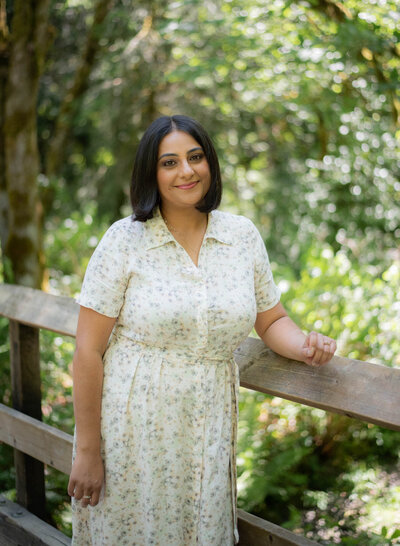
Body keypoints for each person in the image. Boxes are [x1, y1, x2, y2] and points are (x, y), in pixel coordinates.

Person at [67, 114, 336, 546]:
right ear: (151, 173)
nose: (186, 171)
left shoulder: (241, 236)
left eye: (195, 157)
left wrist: (305, 346)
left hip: (208, 425)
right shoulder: (124, 241)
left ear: (209, 162)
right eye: (168, 162)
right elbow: (86, 351)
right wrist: (88, 450)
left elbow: (271, 320)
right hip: (132, 428)